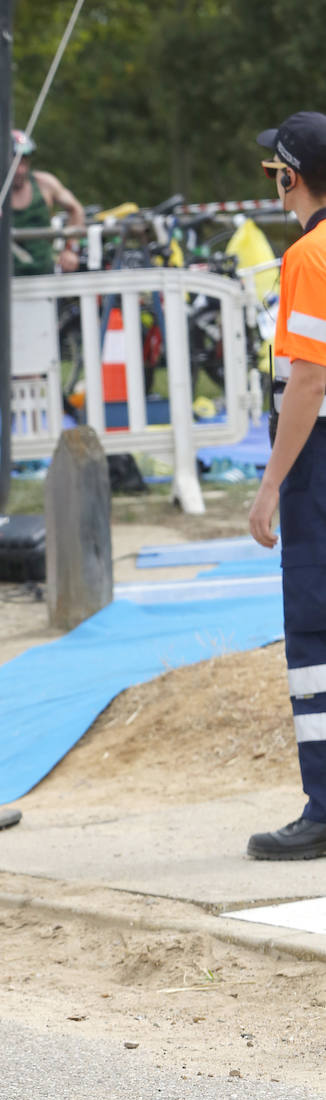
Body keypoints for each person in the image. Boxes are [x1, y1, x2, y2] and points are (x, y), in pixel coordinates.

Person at [248, 111, 326, 860]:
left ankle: (325, 805)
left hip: (319, 462)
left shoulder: (309, 254)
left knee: (315, 632)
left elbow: (307, 380)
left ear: (290, 176)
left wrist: (271, 484)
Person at [10, 130, 85, 276]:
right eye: (14, 163)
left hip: (43, 274)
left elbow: (76, 209)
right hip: (5, 281)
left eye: (23, 162)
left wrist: (70, 248)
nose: (20, 170)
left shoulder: (44, 184)